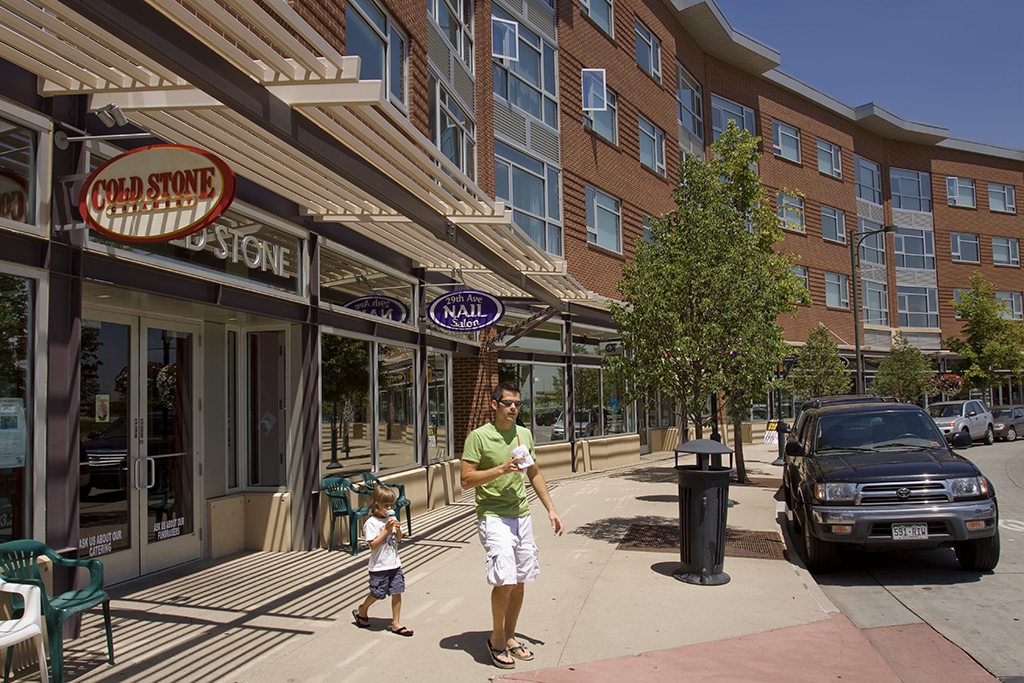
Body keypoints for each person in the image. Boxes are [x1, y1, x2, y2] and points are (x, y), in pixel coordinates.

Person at [461, 381, 564, 669]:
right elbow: (466, 480)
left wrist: (551, 509)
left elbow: (535, 473)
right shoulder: (478, 437)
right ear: (494, 405)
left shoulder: (524, 435)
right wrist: (501, 469)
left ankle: (510, 636)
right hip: (493, 515)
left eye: (518, 404)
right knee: (505, 579)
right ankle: (495, 639)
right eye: (508, 403)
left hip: (521, 514)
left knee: (519, 580)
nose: (514, 408)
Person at [352, 484, 413, 636]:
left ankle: (396, 623)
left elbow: (398, 540)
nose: (389, 508)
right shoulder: (371, 523)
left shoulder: (391, 519)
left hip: (394, 564)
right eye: (386, 505)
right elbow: (373, 545)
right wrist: (385, 531)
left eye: (392, 505)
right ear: (376, 504)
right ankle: (363, 609)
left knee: (397, 591)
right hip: (379, 566)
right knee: (377, 593)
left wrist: (398, 530)